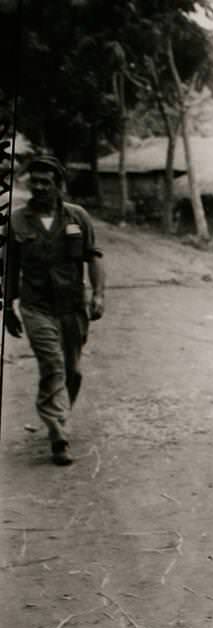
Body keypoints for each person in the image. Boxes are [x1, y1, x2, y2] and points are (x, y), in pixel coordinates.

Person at [1, 155, 106, 466]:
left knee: (72, 371)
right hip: (36, 306)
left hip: (72, 305)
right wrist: (7, 306)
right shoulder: (17, 221)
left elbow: (94, 256)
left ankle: (61, 414)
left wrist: (99, 294)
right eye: (35, 182)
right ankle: (58, 432)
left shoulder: (77, 218)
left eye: (47, 182)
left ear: (59, 185)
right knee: (52, 364)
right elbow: (9, 266)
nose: (40, 187)